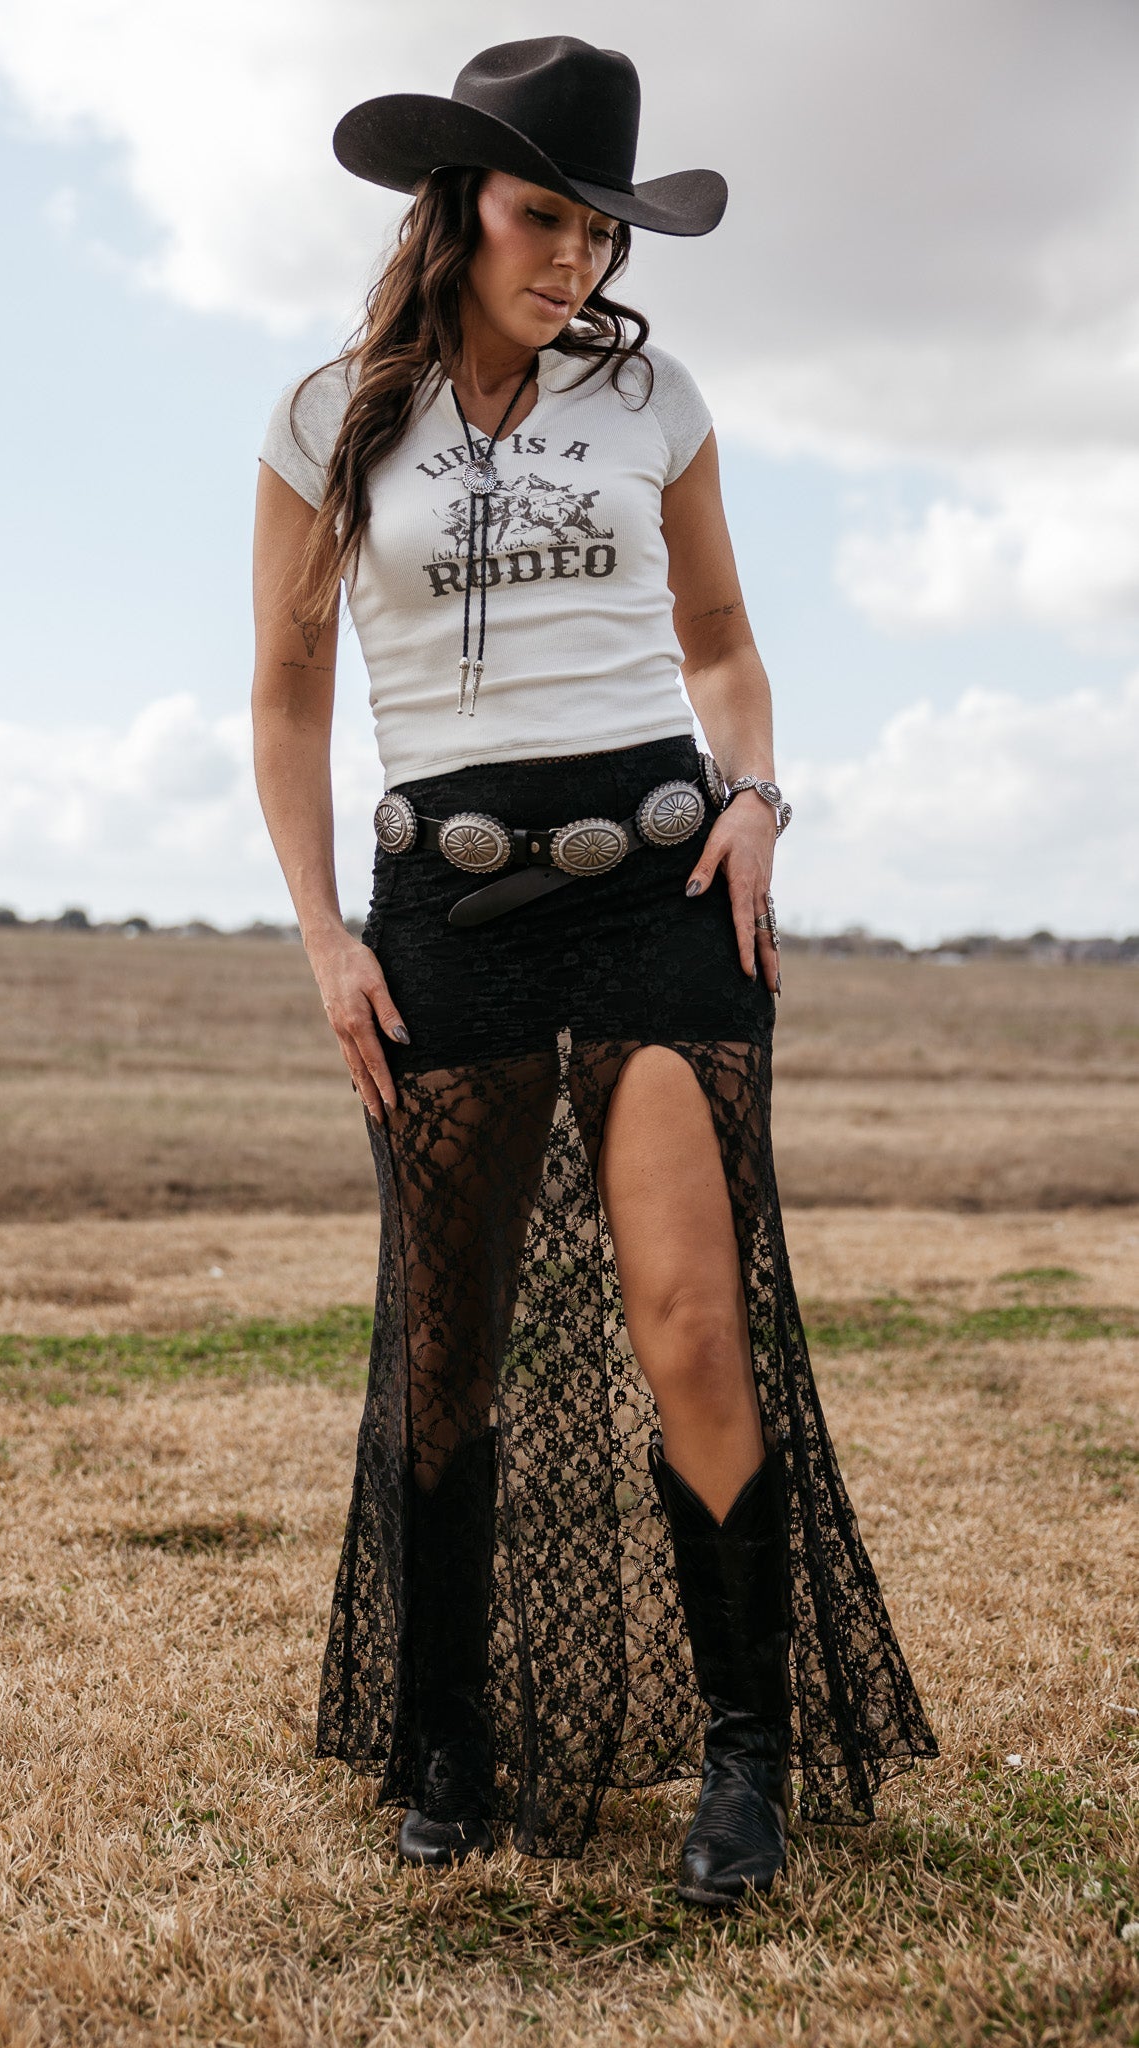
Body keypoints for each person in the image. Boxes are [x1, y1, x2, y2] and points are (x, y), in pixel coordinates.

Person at [252, 36, 936, 1908]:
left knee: (691, 1324)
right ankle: (451, 1735)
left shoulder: (653, 400)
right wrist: (320, 931)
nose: (576, 260)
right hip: (438, 913)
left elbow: (718, 638)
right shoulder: (329, 420)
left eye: (603, 230)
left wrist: (760, 797)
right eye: (544, 216)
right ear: (458, 205)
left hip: (657, 885)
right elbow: (290, 696)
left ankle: (742, 1755)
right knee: (448, 1352)